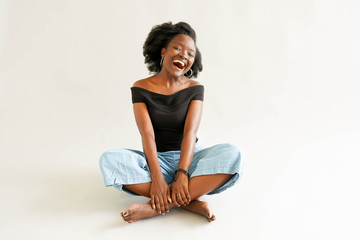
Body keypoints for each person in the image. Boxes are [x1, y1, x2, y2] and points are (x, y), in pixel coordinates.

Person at [99, 22, 245, 223]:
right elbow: (147, 134)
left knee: (234, 153)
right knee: (109, 159)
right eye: (178, 48)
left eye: (190, 53)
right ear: (163, 51)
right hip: (156, 160)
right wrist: (157, 177)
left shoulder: (195, 88)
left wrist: (183, 173)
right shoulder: (141, 87)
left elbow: (190, 133)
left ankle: (159, 206)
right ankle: (190, 201)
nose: (184, 55)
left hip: (190, 158)